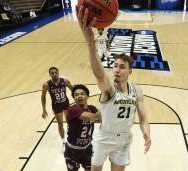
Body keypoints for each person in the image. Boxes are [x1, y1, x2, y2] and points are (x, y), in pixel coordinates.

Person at [76, 6, 151, 171]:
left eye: (121, 67)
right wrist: (90, 45)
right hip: (104, 138)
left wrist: (146, 131)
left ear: (129, 71)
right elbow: (100, 76)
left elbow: (143, 117)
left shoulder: (136, 90)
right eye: (115, 66)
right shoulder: (109, 88)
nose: (116, 69)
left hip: (124, 139)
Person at [64, 84, 101, 171]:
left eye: (82, 94)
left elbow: (102, 119)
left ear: (87, 96)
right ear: (73, 98)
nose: (79, 96)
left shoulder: (92, 108)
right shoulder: (73, 109)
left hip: (87, 148)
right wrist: (105, 102)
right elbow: (94, 117)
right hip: (72, 150)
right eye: (76, 95)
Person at [41, 67, 72, 150]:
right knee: (60, 124)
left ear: (58, 73)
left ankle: (71, 137)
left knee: (70, 121)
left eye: (56, 72)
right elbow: (43, 96)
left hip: (66, 103)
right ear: (50, 74)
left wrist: (78, 102)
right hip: (56, 105)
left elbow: (73, 90)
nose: (54, 74)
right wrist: (44, 109)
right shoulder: (46, 85)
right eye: (52, 73)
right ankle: (64, 141)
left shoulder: (65, 81)